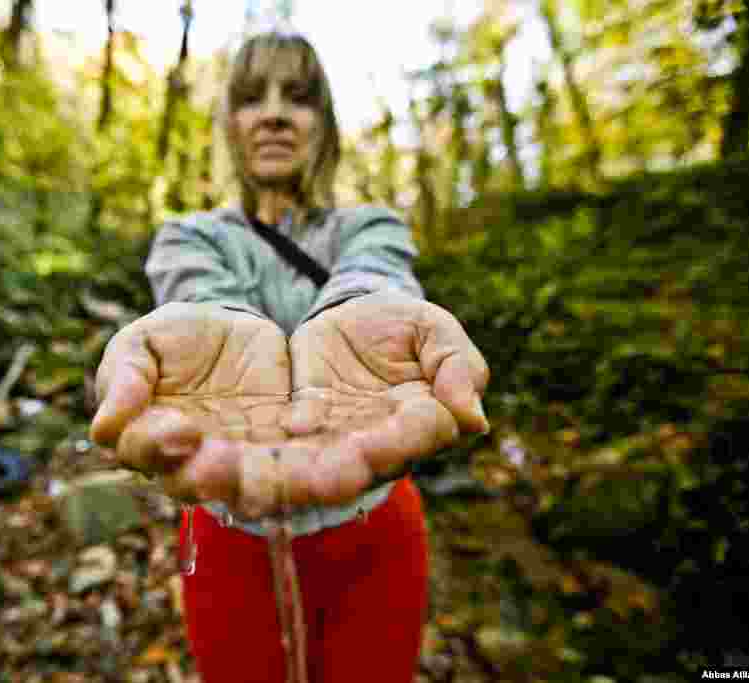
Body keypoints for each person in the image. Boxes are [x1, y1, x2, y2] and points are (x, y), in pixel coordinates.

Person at [90, 31, 490, 683]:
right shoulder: (188, 237)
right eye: (252, 97)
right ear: (230, 124)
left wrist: (356, 311)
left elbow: (376, 274)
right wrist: (220, 327)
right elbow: (201, 297)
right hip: (229, 538)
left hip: (375, 527)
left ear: (323, 123)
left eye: (297, 97)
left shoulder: (369, 226)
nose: (274, 113)